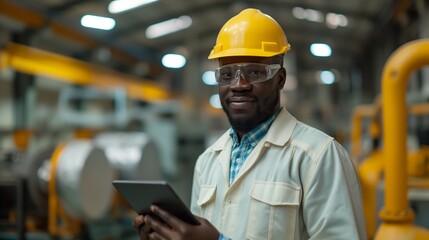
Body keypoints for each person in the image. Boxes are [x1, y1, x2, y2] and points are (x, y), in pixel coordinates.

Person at [133, 8, 366, 240]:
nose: (239, 84)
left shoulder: (319, 157)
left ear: (281, 79)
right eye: (227, 75)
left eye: (255, 72)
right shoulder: (207, 162)